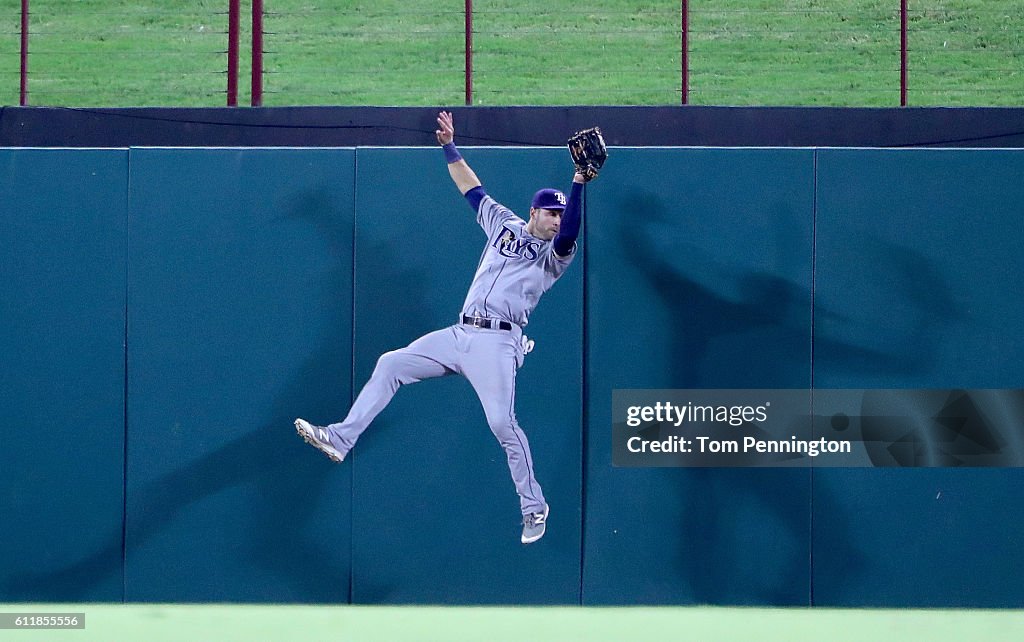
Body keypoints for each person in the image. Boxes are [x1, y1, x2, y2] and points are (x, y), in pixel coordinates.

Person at [295, 111, 595, 544]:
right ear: (534, 212)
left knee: (502, 426)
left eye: (559, 215)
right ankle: (340, 438)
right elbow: (471, 188)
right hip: (461, 334)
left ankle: (534, 507)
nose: (555, 220)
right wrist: (448, 146)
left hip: (499, 343)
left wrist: (579, 184)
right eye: (550, 213)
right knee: (391, 363)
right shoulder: (504, 224)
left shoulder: (554, 256)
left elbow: (570, 235)